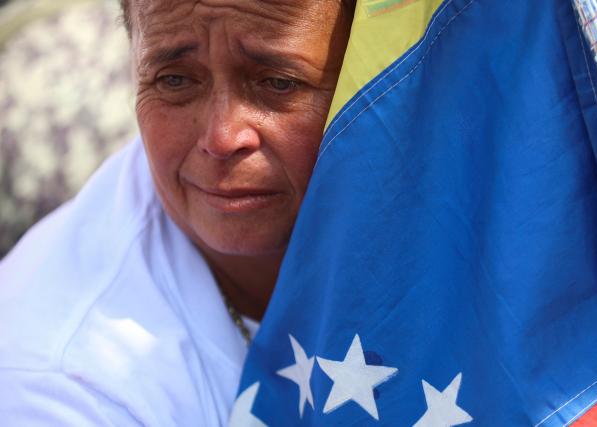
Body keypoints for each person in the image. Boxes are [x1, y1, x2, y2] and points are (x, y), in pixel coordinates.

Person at [0, 0, 353, 425]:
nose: (222, 138)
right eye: (174, 80)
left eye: (278, 82)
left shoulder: (445, 209)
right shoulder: (61, 388)